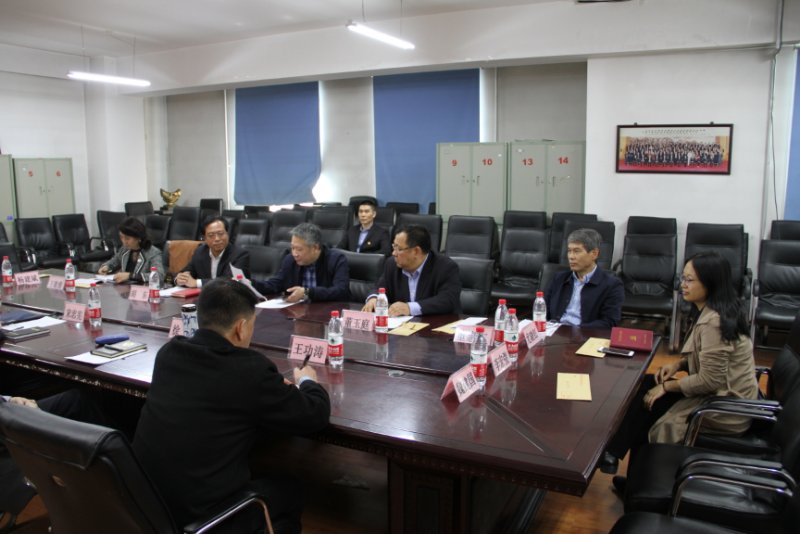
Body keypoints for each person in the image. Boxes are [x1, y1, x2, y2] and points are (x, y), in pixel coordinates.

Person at [133, 279, 330, 533]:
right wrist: (307, 381)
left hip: (147, 505)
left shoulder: (169, 354)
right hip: (205, 518)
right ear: (241, 327)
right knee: (290, 489)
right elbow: (315, 415)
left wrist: (268, 388)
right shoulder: (248, 369)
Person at [600, 251, 758, 491]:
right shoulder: (712, 310)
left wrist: (668, 386)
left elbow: (710, 380)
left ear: (711, 283)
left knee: (649, 405)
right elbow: (705, 357)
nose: (682, 285)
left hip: (724, 407)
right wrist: (678, 365)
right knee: (646, 387)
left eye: (689, 280)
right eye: (683, 278)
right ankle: (625, 469)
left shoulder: (714, 322)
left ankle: (624, 467)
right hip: (717, 394)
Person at [362, 224, 461, 316]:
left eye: (399, 249)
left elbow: (448, 300)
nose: (394, 253)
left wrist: (410, 308)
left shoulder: (446, 267)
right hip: (402, 326)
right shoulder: (392, 264)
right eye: (394, 247)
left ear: (416, 251)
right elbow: (379, 287)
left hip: (437, 324)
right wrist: (374, 297)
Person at [544, 228, 624, 328]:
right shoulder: (559, 278)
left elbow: (609, 322)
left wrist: (576, 330)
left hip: (584, 334)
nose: (571, 257)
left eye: (576, 251)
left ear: (594, 254)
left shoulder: (612, 285)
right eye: (569, 251)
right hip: (553, 331)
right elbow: (542, 308)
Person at [253, 222, 349, 303]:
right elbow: (276, 284)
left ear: (315, 248)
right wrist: (252, 284)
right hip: (299, 312)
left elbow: (341, 291)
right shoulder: (290, 260)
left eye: (299, 249)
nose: (294, 254)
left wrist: (307, 292)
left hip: (326, 312)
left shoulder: (336, 259)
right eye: (292, 248)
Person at [175, 216, 250, 288]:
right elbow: (186, 272)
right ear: (205, 239)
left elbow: (231, 281)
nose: (217, 239)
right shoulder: (200, 252)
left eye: (220, 234)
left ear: (227, 234)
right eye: (211, 235)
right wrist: (179, 279)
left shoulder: (240, 254)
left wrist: (197, 283)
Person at [98, 217, 164, 283]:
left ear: (139, 238)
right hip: (124, 287)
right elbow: (115, 261)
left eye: (127, 238)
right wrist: (106, 267)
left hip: (142, 288)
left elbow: (159, 276)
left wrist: (131, 276)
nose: (124, 242)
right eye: (121, 237)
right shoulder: (124, 249)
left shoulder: (153, 253)